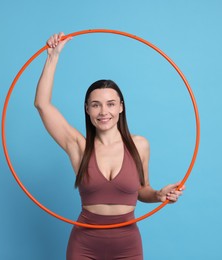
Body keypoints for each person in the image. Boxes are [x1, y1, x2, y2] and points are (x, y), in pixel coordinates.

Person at [34, 32, 185, 260]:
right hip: (84, 244)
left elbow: (142, 190)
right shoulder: (78, 146)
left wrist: (158, 194)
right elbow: (42, 105)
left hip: (127, 245)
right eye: (96, 105)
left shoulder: (139, 145)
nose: (104, 112)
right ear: (87, 109)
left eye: (110, 104)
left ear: (121, 107)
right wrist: (52, 57)